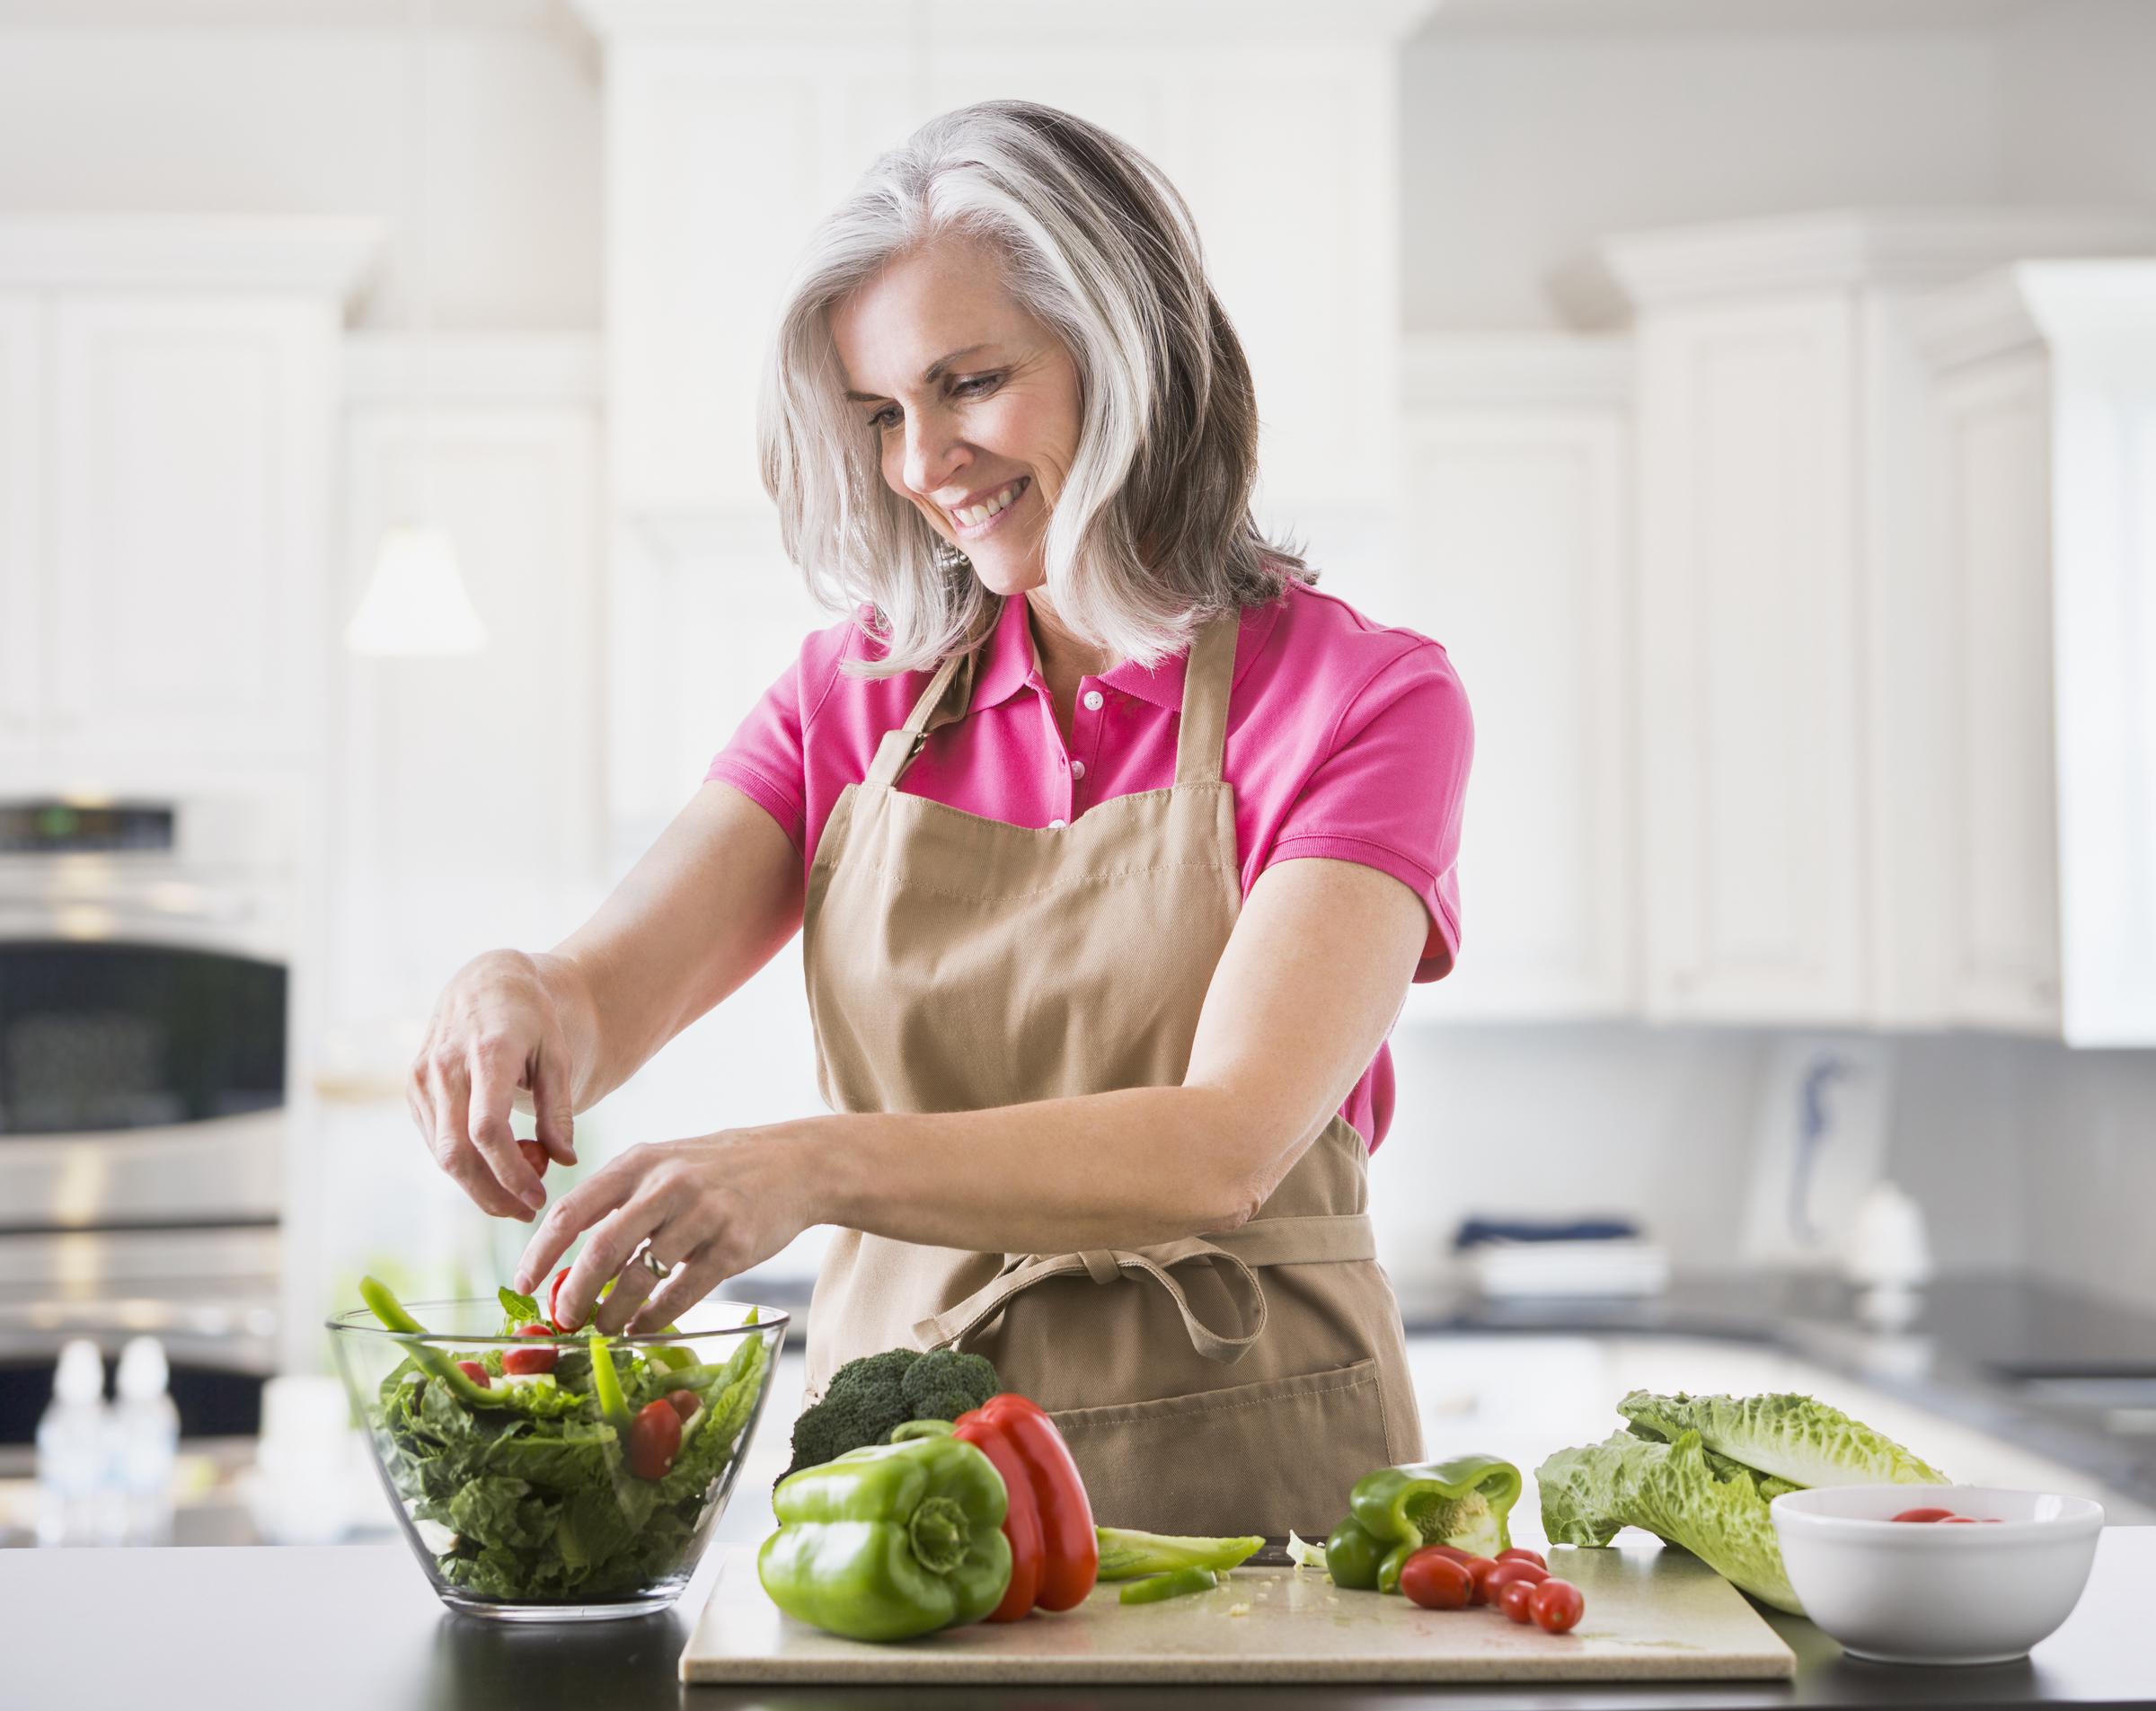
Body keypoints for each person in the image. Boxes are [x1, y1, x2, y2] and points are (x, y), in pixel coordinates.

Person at [408, 100, 1471, 1535]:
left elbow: (1223, 1145)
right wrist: (512, 991)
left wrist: (813, 1163)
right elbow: (600, 1000)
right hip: (906, 1482)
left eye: (968, 383)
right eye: (880, 415)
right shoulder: (853, 694)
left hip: (1260, 1467)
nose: (921, 464)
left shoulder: (1364, 699)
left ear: (1128, 351)